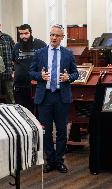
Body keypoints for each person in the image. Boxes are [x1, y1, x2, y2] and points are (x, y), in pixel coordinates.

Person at [29, 24, 79, 173]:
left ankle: (59, 160)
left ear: (62, 37)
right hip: (45, 96)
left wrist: (68, 77)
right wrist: (40, 76)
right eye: (51, 35)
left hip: (61, 96)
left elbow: (75, 73)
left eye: (57, 35)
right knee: (47, 131)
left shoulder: (68, 54)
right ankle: (50, 160)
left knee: (62, 131)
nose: (53, 38)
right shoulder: (40, 53)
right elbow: (31, 72)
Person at [12, 24, 46, 111]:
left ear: (31, 33)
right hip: (20, 85)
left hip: (36, 85)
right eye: (21, 34)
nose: (24, 36)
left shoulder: (40, 44)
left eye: (26, 33)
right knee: (22, 111)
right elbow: (13, 61)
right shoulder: (16, 46)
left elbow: (46, 62)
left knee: (36, 111)